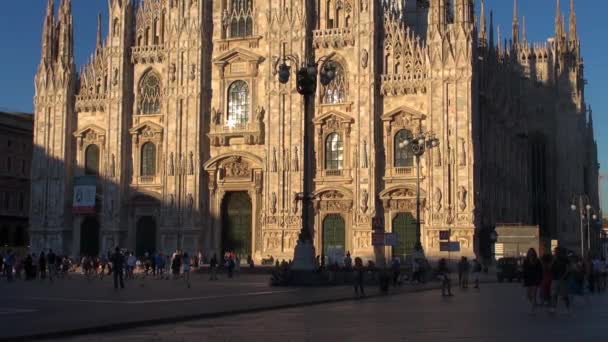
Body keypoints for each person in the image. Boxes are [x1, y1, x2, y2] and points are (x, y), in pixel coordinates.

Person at [550, 248, 570, 313]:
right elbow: (551, 268)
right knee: (554, 294)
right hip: (555, 279)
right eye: (555, 252)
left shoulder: (565, 260)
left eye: (556, 251)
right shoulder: (554, 260)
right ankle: (553, 308)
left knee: (564, 295)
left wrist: (563, 276)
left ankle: (567, 307)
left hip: (563, 279)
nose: (555, 253)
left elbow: (568, 269)